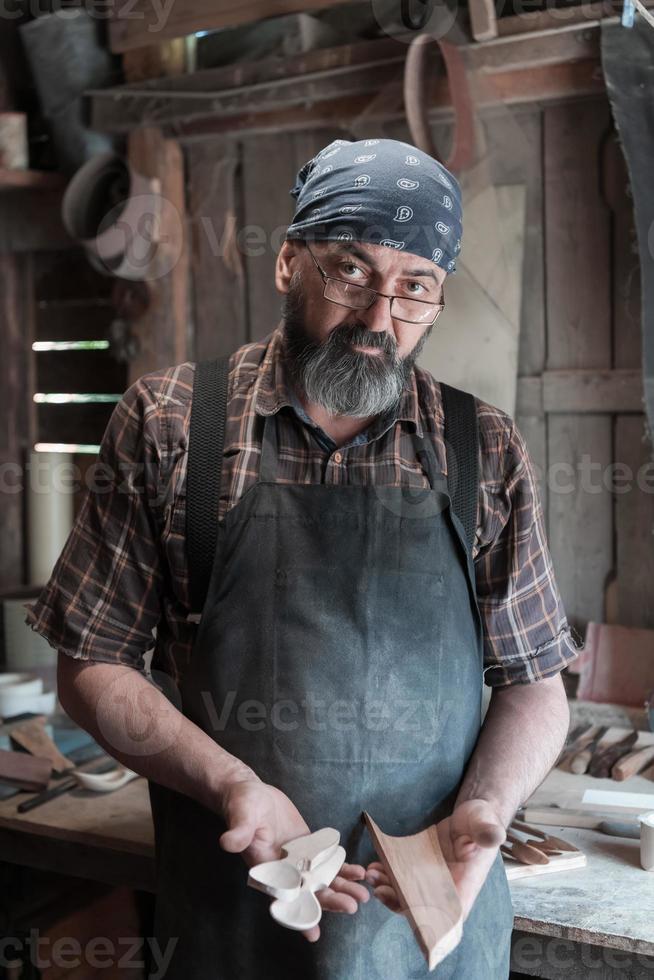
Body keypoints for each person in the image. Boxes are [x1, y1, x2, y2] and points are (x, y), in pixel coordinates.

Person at [27, 137, 580, 979]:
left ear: (437, 302)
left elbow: (535, 683)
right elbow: (92, 666)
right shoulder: (176, 423)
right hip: (234, 910)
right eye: (350, 272)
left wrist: (487, 814)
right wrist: (230, 784)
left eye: (413, 289)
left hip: (435, 913)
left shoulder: (483, 447)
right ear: (289, 262)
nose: (376, 319)